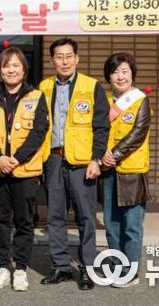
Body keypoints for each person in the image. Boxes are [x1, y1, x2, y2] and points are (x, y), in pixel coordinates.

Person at [39, 38, 110, 291]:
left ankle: (87, 268)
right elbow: (39, 126)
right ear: (52, 60)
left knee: (86, 217)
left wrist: (96, 159)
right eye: (59, 57)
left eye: (69, 56)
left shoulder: (91, 86)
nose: (65, 61)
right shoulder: (44, 87)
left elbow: (102, 126)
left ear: (77, 59)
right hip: (53, 159)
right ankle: (60, 266)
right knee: (55, 216)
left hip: (82, 163)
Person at [0, 46, 49, 292]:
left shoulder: (37, 97)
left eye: (16, 65)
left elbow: (39, 131)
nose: (11, 70)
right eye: (6, 65)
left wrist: (16, 159)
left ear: (24, 70)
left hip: (25, 170)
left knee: (24, 221)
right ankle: (1, 267)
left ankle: (20, 268)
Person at [101, 52, 152, 288]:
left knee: (132, 225)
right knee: (112, 225)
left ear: (132, 74)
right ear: (108, 76)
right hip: (108, 171)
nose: (120, 77)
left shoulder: (140, 100)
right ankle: (116, 267)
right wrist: (101, 154)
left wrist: (113, 155)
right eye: (115, 72)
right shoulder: (103, 101)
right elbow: (96, 131)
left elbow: (138, 133)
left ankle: (130, 273)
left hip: (132, 171)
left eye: (125, 71)